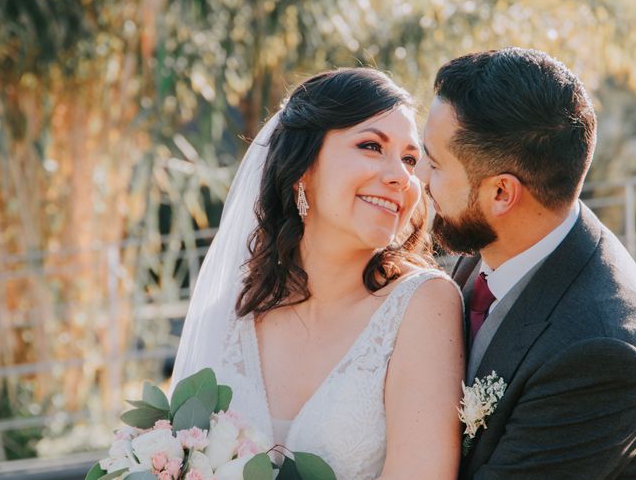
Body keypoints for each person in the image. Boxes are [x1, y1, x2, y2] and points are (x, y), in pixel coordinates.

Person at [171, 68, 464, 479]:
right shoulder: (233, 313)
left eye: (411, 159)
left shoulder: (423, 305)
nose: (402, 175)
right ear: (302, 168)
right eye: (371, 146)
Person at [417, 48, 636, 479]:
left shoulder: (604, 354)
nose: (419, 180)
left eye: (433, 164)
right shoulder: (497, 244)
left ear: (501, 193)